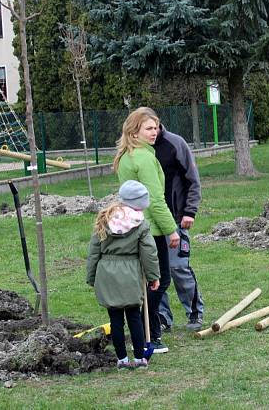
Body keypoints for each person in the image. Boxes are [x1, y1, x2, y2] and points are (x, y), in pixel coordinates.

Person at [115, 107, 179, 352]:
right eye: (149, 128)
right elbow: (155, 199)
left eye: (156, 127)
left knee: (148, 281)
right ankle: (148, 332)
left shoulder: (127, 156)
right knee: (158, 280)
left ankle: (148, 330)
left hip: (133, 226)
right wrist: (171, 230)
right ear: (134, 131)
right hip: (150, 229)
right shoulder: (143, 158)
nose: (155, 132)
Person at [86, 180, 161, 369]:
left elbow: (94, 250)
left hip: (107, 273)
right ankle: (139, 357)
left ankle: (121, 359)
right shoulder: (140, 223)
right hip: (130, 273)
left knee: (115, 319)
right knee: (134, 316)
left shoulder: (105, 218)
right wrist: (153, 276)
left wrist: (92, 276)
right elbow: (149, 252)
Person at [153, 122, 205, 332]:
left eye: (153, 127)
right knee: (154, 272)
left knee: (177, 267)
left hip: (175, 217)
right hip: (149, 220)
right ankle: (163, 317)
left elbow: (193, 180)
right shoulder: (138, 148)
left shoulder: (175, 143)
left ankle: (194, 312)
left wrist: (189, 211)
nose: (151, 132)